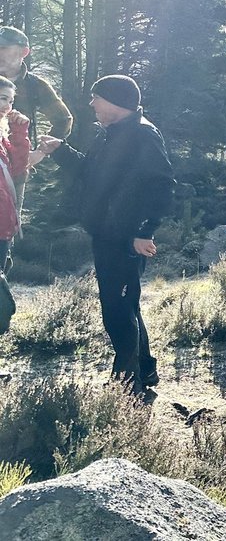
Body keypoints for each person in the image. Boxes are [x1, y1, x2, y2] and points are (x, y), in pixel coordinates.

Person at [38, 75, 174, 397]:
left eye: (96, 97)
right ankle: (145, 369)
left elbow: (162, 185)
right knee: (126, 305)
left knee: (118, 310)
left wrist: (144, 231)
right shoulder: (111, 133)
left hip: (127, 238)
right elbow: (90, 172)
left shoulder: (143, 135)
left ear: (115, 102)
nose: (92, 104)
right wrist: (60, 150)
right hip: (107, 233)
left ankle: (127, 387)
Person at [0, 25, 73, 217]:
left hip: (13, 170)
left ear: (24, 52)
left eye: (4, 48)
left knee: (6, 227)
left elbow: (63, 119)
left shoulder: (35, 86)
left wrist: (39, 153)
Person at [0, 77, 47, 331]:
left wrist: (19, 132)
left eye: (10, 100)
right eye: (2, 98)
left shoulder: (3, 134)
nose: (7, 106)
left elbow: (18, 169)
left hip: (3, 227)